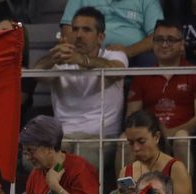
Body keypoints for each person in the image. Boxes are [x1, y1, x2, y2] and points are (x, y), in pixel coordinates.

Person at [35, 9, 129, 178]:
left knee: (80, 162)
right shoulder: (61, 59)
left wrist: (82, 60)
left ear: (101, 37)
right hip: (63, 137)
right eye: (75, 29)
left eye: (86, 30)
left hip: (100, 138)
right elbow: (37, 74)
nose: (78, 35)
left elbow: (117, 71)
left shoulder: (114, 55)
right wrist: (52, 58)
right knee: (37, 156)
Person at [125, 21, 196, 140]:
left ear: (182, 44)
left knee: (181, 137)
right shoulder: (141, 76)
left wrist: (171, 133)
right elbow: (131, 117)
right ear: (153, 43)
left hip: (185, 135)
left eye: (170, 40)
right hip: (148, 137)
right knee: (124, 139)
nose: (164, 45)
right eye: (159, 40)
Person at [115, 110, 194, 194]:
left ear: (156, 137)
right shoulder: (126, 171)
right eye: (131, 143)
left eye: (141, 142)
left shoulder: (175, 168)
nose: (136, 148)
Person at [61, 0, 162, 63]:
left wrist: (127, 51)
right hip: (87, 53)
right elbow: (67, 31)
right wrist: (89, 52)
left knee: (150, 60)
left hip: (134, 56)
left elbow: (158, 35)